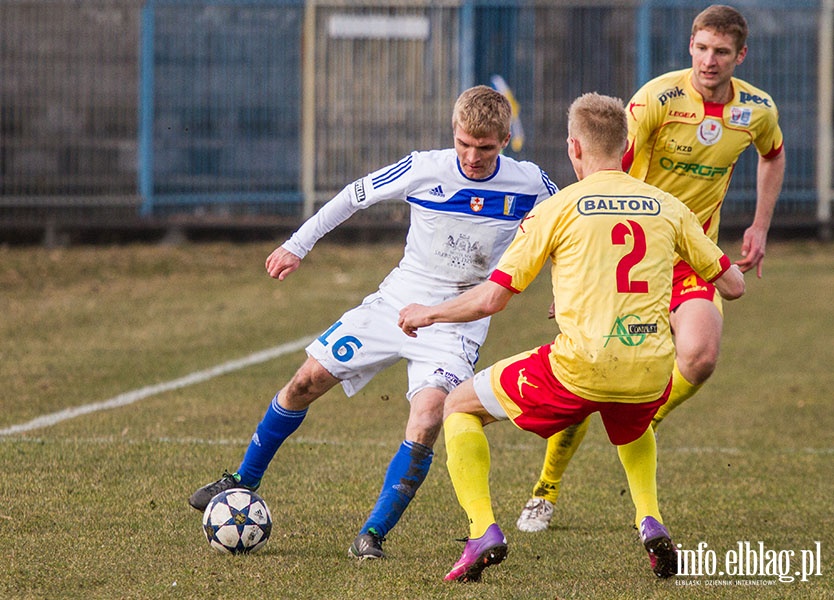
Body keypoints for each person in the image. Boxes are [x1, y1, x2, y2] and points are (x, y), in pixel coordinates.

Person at [188, 85, 558, 560]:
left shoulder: (531, 183)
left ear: (505, 139)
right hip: (396, 302)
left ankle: (372, 535)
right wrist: (297, 246)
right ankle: (243, 478)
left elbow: (568, 230)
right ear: (454, 132)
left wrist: (562, 293)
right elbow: (353, 196)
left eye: (485, 147)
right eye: (464, 143)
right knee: (304, 381)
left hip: (456, 323)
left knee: (427, 420)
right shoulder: (426, 167)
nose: (472, 156)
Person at [398, 92, 745, 582]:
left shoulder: (557, 208)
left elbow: (492, 299)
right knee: (632, 417)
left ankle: (482, 531)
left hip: (580, 367)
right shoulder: (669, 207)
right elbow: (734, 286)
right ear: (627, 148)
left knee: (458, 406)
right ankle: (649, 520)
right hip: (651, 370)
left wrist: (428, 312)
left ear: (574, 149)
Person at [516, 3, 785, 533]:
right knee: (588, 379)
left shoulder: (757, 109)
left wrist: (759, 224)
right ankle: (544, 490)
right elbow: (607, 176)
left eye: (722, 52)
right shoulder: (657, 100)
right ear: (691, 46)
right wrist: (579, 271)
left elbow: (772, 155)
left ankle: (643, 420)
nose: (710, 61)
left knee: (702, 356)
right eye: (702, 48)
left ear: (740, 55)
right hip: (631, 255)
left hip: (694, 255)